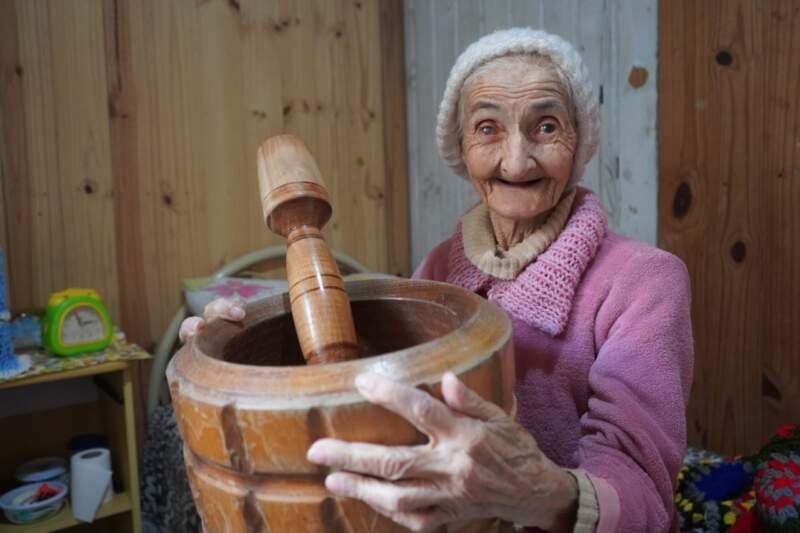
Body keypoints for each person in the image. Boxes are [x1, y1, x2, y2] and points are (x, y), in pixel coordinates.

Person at [180, 28, 693, 532]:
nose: (517, 161)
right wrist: (241, 349)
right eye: (488, 128)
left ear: (578, 143)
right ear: (461, 148)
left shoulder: (645, 281)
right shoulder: (437, 270)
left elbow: (644, 493)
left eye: (546, 127)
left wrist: (538, 494)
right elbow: (372, 398)